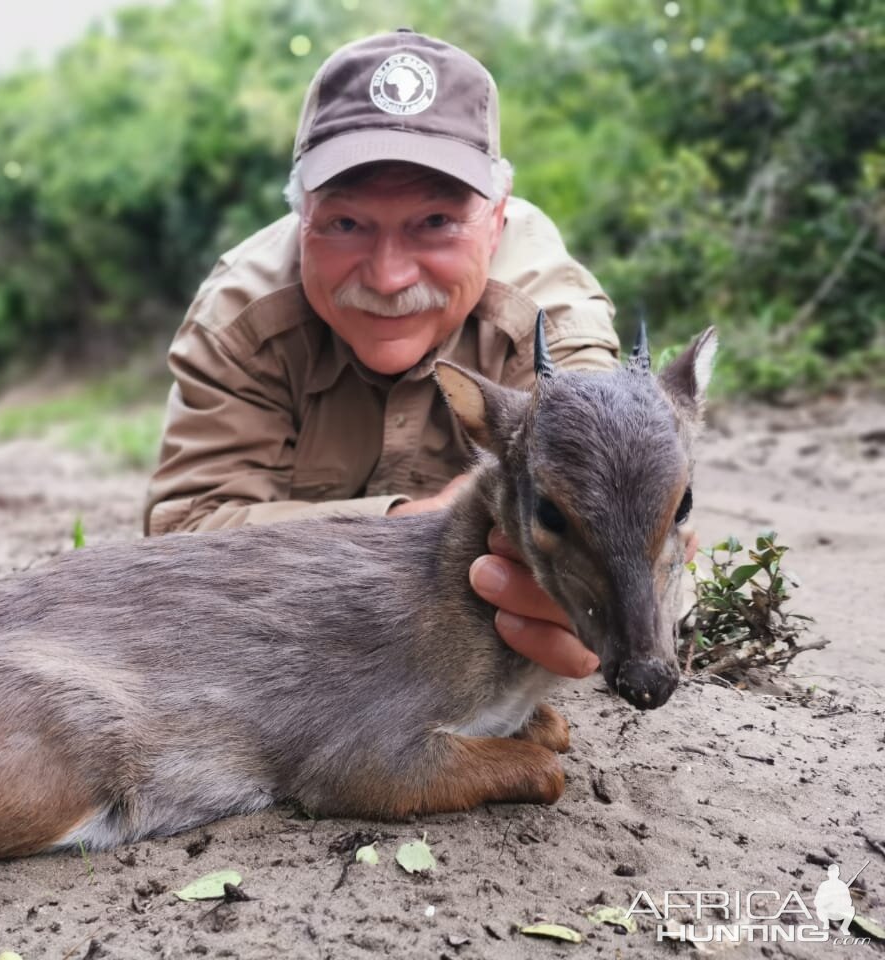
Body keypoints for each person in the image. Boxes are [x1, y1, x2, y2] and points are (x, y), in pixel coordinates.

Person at [145, 30, 626, 680]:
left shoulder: (550, 320)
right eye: (346, 224)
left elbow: (619, 506)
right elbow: (183, 539)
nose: (389, 276)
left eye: (435, 223)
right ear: (300, 214)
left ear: (496, 216)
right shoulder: (240, 319)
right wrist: (427, 525)